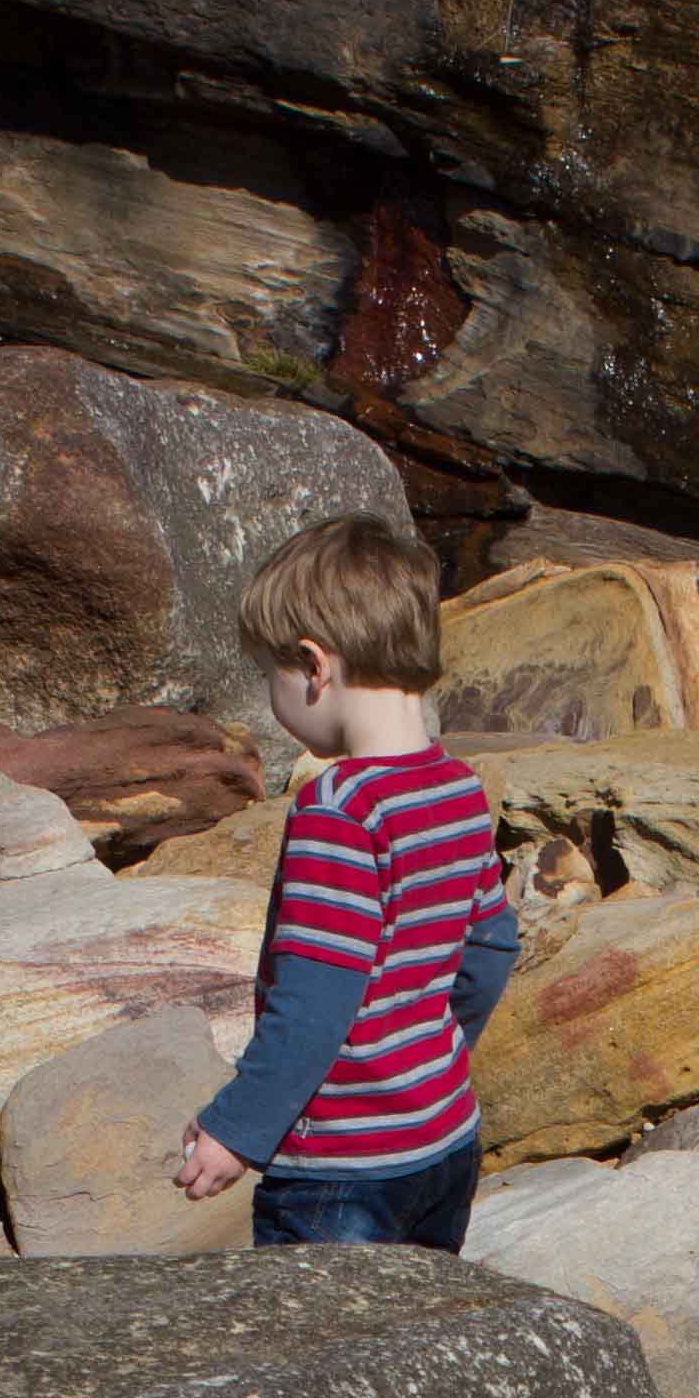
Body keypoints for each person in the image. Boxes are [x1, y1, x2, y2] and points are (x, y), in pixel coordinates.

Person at [172, 514, 518, 1249]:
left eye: (268, 675)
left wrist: (238, 1129)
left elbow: (314, 1000)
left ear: (312, 667)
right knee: (415, 1318)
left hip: (344, 1168)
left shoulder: (341, 808)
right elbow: (490, 950)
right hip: (446, 1139)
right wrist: (431, 1049)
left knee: (318, 1327)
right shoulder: (458, 787)